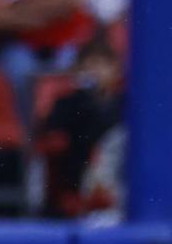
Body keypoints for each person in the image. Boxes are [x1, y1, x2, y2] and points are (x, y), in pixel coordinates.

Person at [37, 34, 123, 217]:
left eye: (101, 65)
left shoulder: (127, 105)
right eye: (88, 65)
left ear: (115, 70)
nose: (94, 71)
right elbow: (50, 134)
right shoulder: (68, 103)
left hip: (117, 174)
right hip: (79, 177)